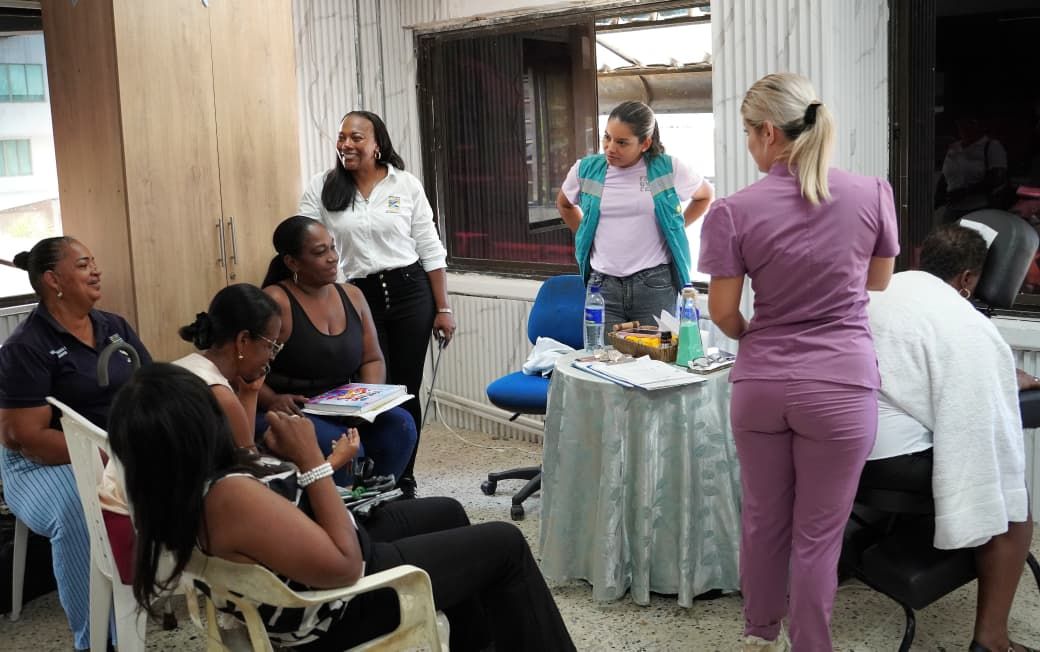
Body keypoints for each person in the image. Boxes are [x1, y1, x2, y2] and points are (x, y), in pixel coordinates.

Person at [108, 363, 575, 651]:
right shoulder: (230, 498)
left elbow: (267, 492)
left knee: (448, 511)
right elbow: (345, 567)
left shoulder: (178, 490)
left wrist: (263, 418)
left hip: (315, 571)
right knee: (505, 544)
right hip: (338, 609)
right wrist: (313, 462)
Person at [698, 73, 899, 652]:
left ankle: (760, 632)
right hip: (841, 385)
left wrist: (754, 335)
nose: (748, 145)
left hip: (761, 385)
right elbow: (878, 281)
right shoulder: (872, 194)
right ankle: (811, 644)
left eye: (747, 133)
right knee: (818, 536)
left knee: (763, 520)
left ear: (768, 132)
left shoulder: (733, 210)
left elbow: (723, 313)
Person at [862, 223, 1035, 652]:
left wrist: (999, 373)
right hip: (890, 460)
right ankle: (992, 641)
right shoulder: (965, 323)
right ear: (968, 278)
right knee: (1012, 505)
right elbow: (973, 413)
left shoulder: (881, 289)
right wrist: (1002, 379)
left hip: (841, 447)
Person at [0, 237, 152, 651]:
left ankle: (156, 592)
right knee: (83, 509)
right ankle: (96, 639)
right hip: (41, 463)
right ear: (54, 280)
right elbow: (26, 437)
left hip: (113, 451)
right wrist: (108, 455)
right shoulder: (25, 346)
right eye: (84, 265)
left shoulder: (114, 327)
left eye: (94, 262)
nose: (96, 271)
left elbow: (151, 386)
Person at [299, 110, 452, 496]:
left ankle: (404, 476)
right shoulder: (323, 187)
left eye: (356, 137)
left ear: (377, 144)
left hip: (411, 292)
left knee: (407, 387)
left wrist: (443, 308)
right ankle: (371, 472)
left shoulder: (405, 184)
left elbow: (430, 248)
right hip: (357, 297)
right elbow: (303, 239)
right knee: (369, 390)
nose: (346, 144)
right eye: (342, 137)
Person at [259, 216, 418, 489]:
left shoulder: (353, 295)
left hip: (343, 406)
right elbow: (244, 366)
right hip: (291, 410)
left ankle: (373, 501)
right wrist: (272, 399)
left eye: (333, 247)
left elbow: (372, 358)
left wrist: (368, 402)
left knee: (400, 426)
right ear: (292, 262)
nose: (333, 257)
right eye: (320, 252)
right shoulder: (276, 300)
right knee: (345, 448)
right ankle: (339, 507)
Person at [556, 100, 714, 330]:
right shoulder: (585, 169)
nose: (610, 148)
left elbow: (705, 196)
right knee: (603, 352)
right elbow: (564, 204)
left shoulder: (669, 168)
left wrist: (673, 227)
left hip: (654, 284)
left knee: (654, 353)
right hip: (603, 285)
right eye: (607, 137)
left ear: (645, 143)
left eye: (622, 142)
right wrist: (585, 234)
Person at [937, 109, 1011, 223]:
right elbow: (944, 176)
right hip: (952, 210)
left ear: (980, 125)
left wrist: (965, 192)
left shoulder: (992, 146)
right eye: (960, 123)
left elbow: (997, 179)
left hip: (979, 209)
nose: (964, 127)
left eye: (970, 123)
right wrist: (938, 198)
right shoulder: (953, 148)